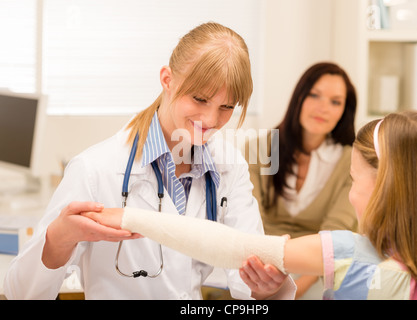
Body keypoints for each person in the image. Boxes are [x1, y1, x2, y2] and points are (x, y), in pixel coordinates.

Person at [4, 22, 295, 300]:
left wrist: (265, 286)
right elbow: (22, 294)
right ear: (167, 79)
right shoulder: (94, 169)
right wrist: (58, 239)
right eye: (199, 99)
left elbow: (249, 277)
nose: (210, 119)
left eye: (227, 107)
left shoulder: (230, 167)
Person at [84, 110, 417, 300]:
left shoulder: (352, 252)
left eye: (355, 181)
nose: (351, 192)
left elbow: (229, 246)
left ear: (386, 187)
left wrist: (128, 215)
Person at [244, 62, 358, 298]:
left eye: (335, 102)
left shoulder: (353, 162)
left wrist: (294, 290)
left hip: (318, 268)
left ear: (344, 112)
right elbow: (250, 222)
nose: (323, 107)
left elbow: (336, 235)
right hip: (260, 262)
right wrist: (266, 281)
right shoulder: (259, 148)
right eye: (314, 95)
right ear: (299, 98)